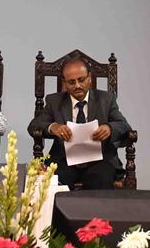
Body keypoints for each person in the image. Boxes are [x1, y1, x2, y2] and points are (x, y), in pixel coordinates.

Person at [28, 58, 131, 189]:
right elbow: (34, 125)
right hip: (64, 160)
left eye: (81, 80)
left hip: (100, 160)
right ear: (64, 82)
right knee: (57, 181)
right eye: (71, 82)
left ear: (90, 78)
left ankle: (96, 211)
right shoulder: (54, 101)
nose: (77, 86)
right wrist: (53, 127)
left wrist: (109, 128)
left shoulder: (106, 99)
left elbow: (124, 126)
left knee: (101, 178)